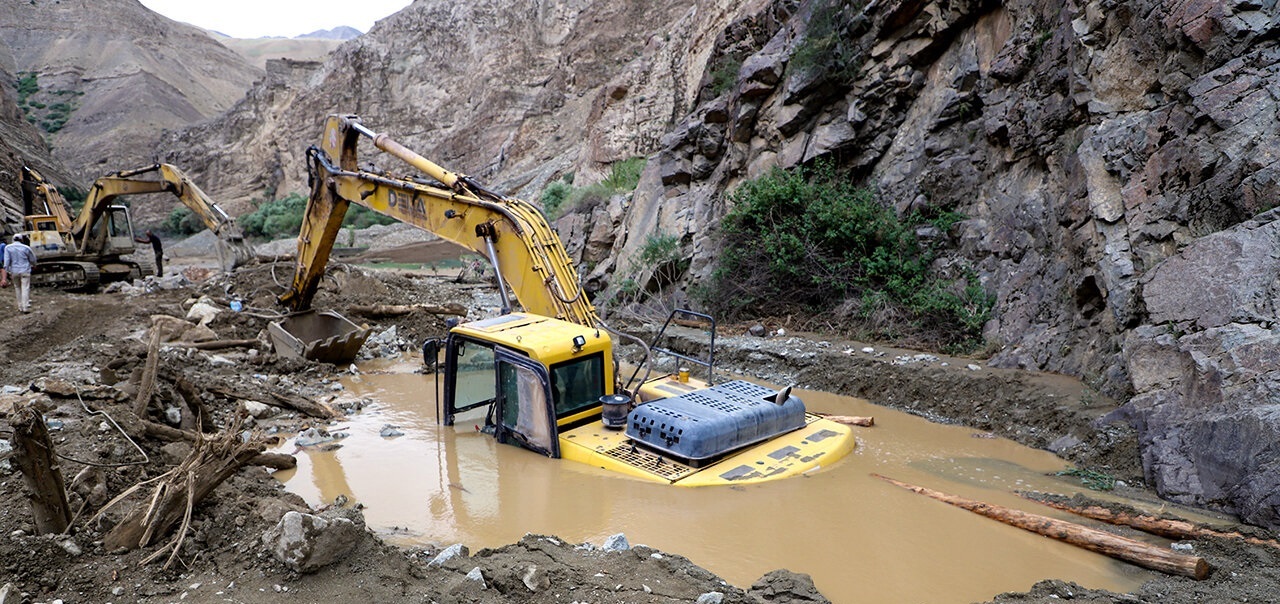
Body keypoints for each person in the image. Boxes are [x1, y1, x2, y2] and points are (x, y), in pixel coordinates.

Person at [1, 234, 38, 313]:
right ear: (21, 240)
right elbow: (33, 259)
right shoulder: (26, 248)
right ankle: (25, 307)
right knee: (25, 287)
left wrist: (6, 271)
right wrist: (34, 265)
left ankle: (20, 306)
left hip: (14, 271)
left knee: (17, 287)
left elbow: (6, 261)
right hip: (25, 270)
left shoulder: (8, 248)